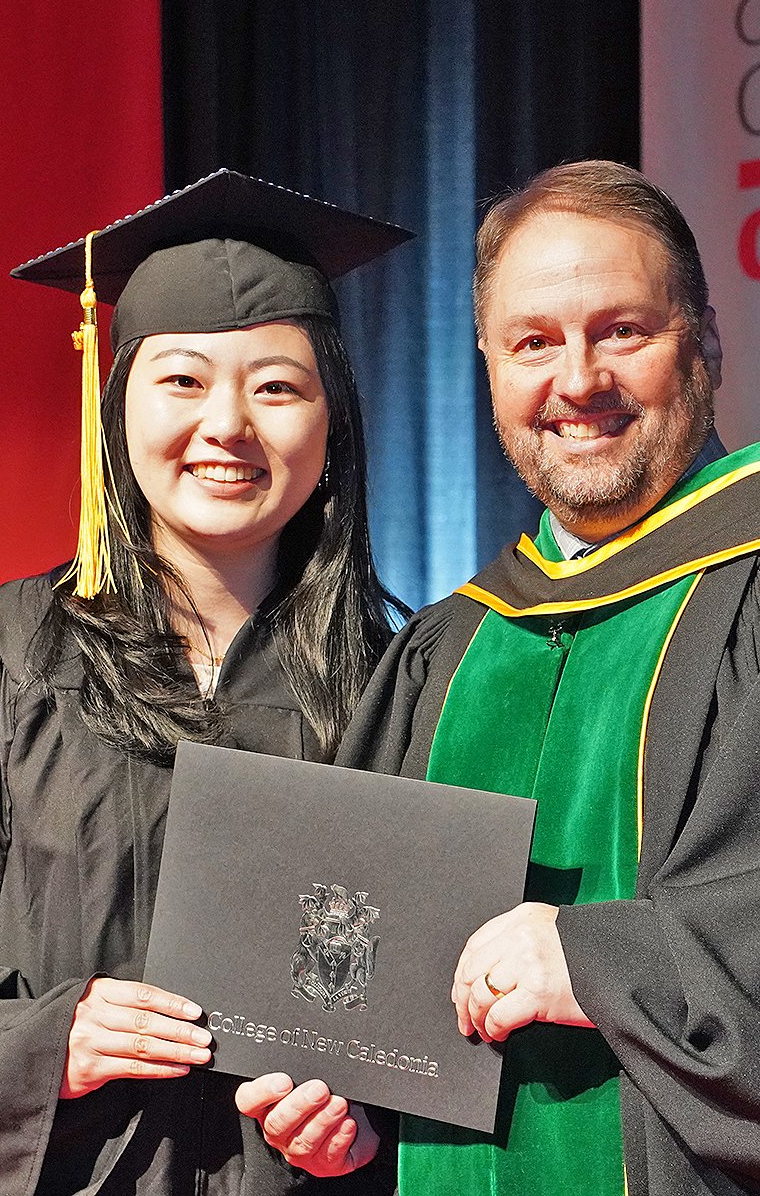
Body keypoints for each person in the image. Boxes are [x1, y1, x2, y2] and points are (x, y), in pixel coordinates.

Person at [239, 161, 760, 1195]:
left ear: (704, 338)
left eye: (622, 330)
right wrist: (343, 1115)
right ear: (486, 362)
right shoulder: (447, 648)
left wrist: (603, 963)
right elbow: (359, 988)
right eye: (532, 342)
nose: (577, 380)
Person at [0, 170, 410, 1194]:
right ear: (115, 409)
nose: (228, 424)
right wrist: (41, 1043)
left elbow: (435, 1008)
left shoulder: (402, 685)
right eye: (182, 380)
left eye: (277, 387)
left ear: (333, 424)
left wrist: (363, 1133)